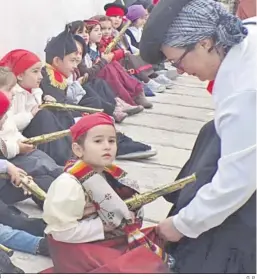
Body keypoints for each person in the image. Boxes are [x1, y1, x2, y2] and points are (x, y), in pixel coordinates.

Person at [140, 0, 256, 273]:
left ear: (205, 43)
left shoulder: (244, 94)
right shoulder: (246, 33)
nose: (180, 71)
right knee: (211, 134)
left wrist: (182, 225)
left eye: (177, 61)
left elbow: (237, 182)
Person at [42, 112, 172, 273]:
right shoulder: (68, 184)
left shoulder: (109, 173)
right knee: (142, 268)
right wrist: (103, 226)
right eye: (98, 141)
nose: (107, 146)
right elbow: (60, 232)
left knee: (160, 236)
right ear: (78, 149)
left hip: (101, 238)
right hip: (75, 248)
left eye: (112, 141)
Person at [43, 24, 157, 160]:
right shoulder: (47, 76)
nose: (75, 66)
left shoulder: (57, 75)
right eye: (72, 61)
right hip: (59, 125)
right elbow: (58, 112)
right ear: (56, 60)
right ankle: (110, 144)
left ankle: (113, 138)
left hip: (66, 116)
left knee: (94, 105)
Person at [0, 53, 72, 166]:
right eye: (35, 71)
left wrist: (43, 100)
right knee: (43, 116)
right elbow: (10, 123)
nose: (41, 76)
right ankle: (61, 158)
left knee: (55, 111)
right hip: (17, 140)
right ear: (20, 76)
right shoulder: (13, 94)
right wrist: (31, 115)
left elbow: (36, 107)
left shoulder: (34, 90)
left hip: (20, 139)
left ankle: (70, 149)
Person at [70, 20, 145, 115]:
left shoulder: (90, 47)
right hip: (79, 84)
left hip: (90, 78)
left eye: (86, 32)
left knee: (104, 77)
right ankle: (116, 108)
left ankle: (122, 101)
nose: (85, 35)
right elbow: (86, 73)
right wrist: (104, 61)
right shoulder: (77, 51)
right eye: (80, 32)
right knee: (105, 72)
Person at [85, 18, 153, 108]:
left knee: (116, 65)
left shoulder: (98, 44)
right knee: (111, 68)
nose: (101, 33)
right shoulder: (87, 48)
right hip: (96, 74)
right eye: (98, 30)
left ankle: (137, 94)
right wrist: (117, 54)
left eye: (108, 29)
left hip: (105, 68)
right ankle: (125, 99)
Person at [104, 1, 168, 93]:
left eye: (120, 17)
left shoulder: (119, 32)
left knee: (136, 55)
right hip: (115, 60)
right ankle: (147, 80)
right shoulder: (110, 32)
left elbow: (127, 46)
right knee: (132, 57)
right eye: (114, 16)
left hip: (123, 58)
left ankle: (152, 76)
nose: (117, 20)